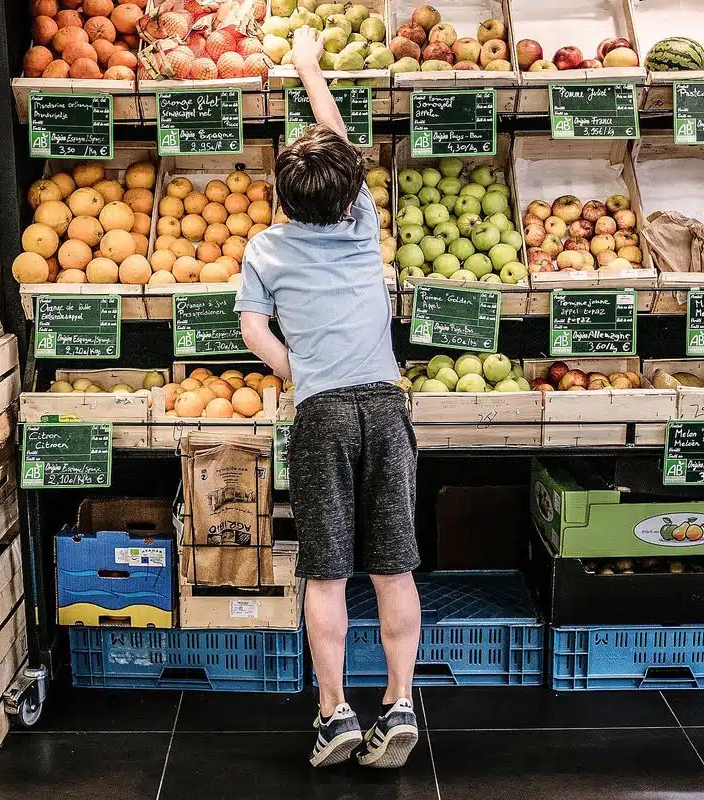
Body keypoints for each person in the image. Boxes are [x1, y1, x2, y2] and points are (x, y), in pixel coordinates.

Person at [234, 26, 422, 770]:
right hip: (387, 406)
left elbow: (253, 331)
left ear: (281, 196)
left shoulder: (264, 249)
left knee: (326, 571)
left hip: (323, 415)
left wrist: (296, 367)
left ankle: (334, 713)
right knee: (394, 568)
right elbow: (337, 135)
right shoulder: (363, 224)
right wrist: (311, 67)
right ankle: (401, 702)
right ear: (351, 190)